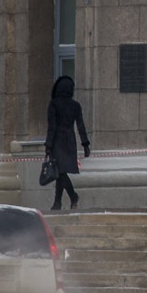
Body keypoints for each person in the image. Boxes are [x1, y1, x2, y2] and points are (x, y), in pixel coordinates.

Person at [45, 74, 90, 210]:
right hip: (70, 141)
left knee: (60, 172)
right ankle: (57, 202)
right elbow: (80, 126)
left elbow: (52, 126)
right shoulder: (75, 105)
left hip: (58, 141)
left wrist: (48, 145)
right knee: (60, 172)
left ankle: (72, 196)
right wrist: (85, 144)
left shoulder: (53, 104)